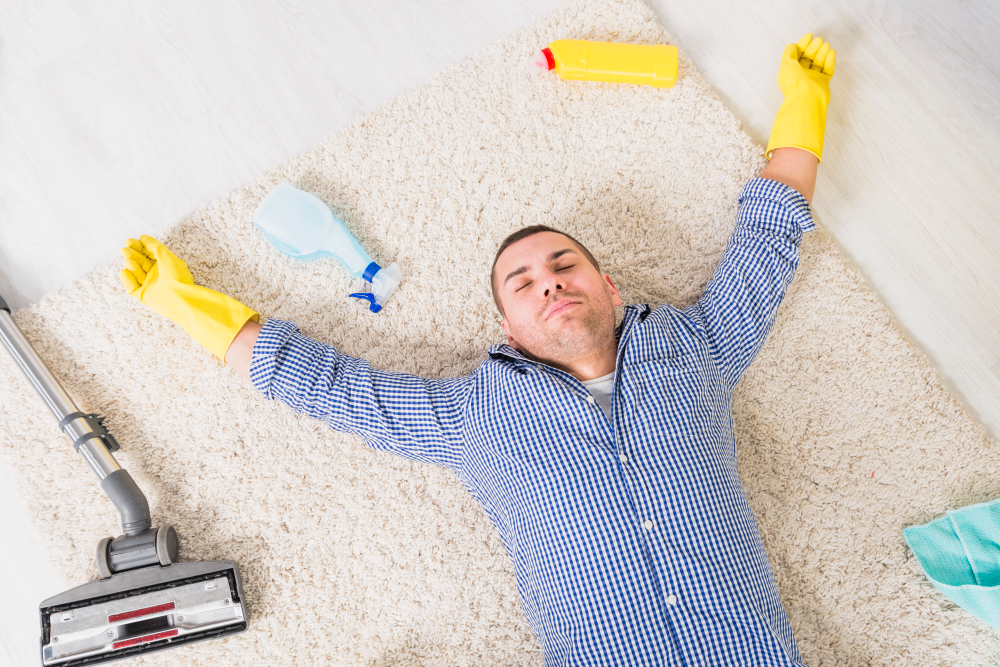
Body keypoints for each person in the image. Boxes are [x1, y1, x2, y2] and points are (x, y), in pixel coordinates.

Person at [119, 34, 836, 667]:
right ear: (509, 331)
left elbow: (766, 243)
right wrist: (190, 307)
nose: (549, 281)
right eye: (522, 283)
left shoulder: (699, 349)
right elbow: (334, 388)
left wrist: (804, 106)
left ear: (609, 288)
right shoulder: (475, 415)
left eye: (563, 264)